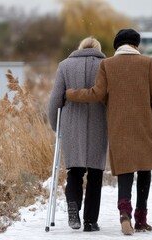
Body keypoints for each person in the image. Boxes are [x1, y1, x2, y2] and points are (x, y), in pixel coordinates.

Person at [66, 28, 152, 235]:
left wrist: (71, 93)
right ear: (135, 45)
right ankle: (141, 219)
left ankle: (124, 214)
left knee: (125, 169)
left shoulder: (108, 64)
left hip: (118, 126)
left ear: (117, 46)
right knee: (144, 168)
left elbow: (97, 94)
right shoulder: (148, 62)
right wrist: (151, 103)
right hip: (143, 125)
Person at [47, 37, 107, 232]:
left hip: (72, 123)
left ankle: (73, 205)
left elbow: (56, 98)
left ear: (80, 47)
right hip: (99, 122)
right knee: (96, 173)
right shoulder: (105, 65)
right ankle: (90, 221)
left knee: (75, 170)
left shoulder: (64, 65)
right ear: (98, 49)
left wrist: (56, 125)